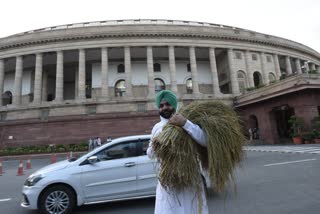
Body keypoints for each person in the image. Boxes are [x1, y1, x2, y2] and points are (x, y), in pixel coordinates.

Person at [147, 90, 209, 214]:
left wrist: (185, 124)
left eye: (168, 104)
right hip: (168, 184)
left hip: (190, 181)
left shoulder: (188, 122)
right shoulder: (157, 128)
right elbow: (150, 154)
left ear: (174, 105)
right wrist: (157, 144)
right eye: (161, 105)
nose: (164, 107)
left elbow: (204, 141)